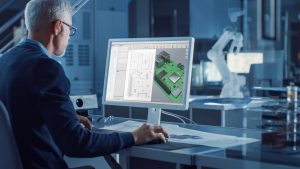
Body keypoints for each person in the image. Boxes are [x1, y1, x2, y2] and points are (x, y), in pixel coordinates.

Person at [0, 0, 168, 169]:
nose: (68, 37)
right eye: (70, 29)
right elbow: (77, 143)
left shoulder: (5, 60)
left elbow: (23, 113)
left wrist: (67, 116)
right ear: (58, 27)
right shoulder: (47, 69)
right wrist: (134, 136)